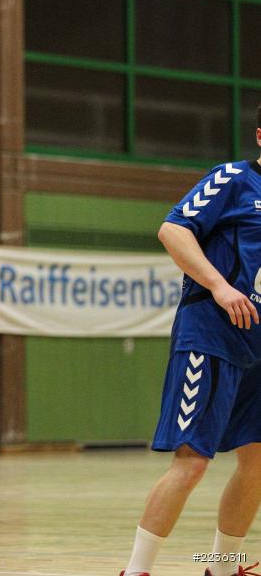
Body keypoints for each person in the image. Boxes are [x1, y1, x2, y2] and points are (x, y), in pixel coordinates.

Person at [119, 110, 261, 576]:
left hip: (257, 349)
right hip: (212, 334)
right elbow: (173, 229)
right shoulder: (234, 180)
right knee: (193, 462)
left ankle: (222, 569)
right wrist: (220, 286)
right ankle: (137, 571)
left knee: (257, 462)